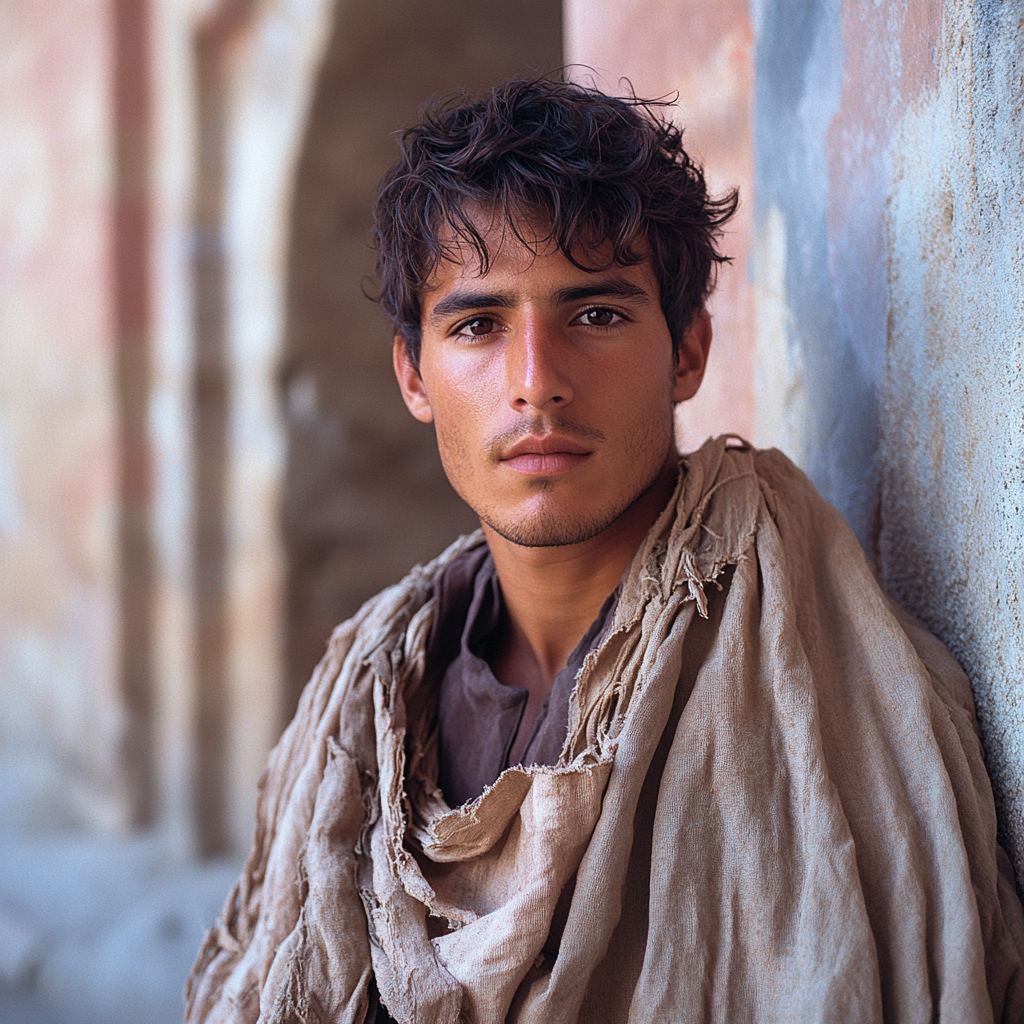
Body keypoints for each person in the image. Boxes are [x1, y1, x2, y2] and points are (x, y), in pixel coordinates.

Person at [186, 78, 1024, 1024]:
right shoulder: (370, 690)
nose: (537, 384)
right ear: (414, 375)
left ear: (688, 354)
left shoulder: (817, 670)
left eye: (595, 315)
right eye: (478, 325)